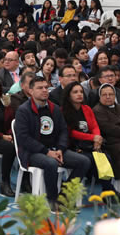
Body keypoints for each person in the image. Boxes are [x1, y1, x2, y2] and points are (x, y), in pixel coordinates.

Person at [13, 77, 91, 205]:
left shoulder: (54, 108)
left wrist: (60, 148)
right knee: (51, 163)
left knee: (84, 161)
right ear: (31, 91)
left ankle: (64, 194)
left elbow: (63, 131)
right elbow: (24, 138)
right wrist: (46, 151)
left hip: (55, 149)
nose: (44, 90)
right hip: (32, 152)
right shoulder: (23, 110)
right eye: (40, 88)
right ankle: (52, 199)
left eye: (46, 87)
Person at [61, 82, 114, 192]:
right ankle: (109, 191)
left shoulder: (86, 109)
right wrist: (92, 138)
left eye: (81, 91)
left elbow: (94, 126)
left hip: (88, 144)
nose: (79, 94)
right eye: (75, 92)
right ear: (68, 95)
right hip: (72, 145)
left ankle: (107, 189)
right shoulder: (63, 111)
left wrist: (97, 138)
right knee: (90, 160)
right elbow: (71, 133)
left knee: (104, 158)